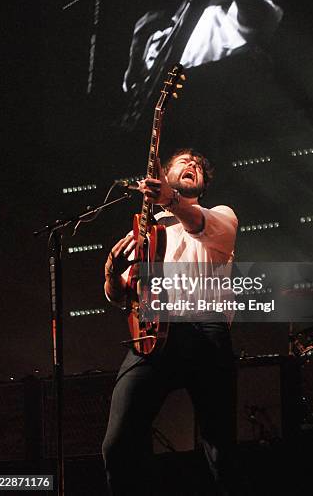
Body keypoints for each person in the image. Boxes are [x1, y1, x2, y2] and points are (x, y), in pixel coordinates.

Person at [102, 148, 239, 495]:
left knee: (219, 447)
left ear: (203, 186)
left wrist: (171, 198)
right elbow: (125, 295)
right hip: (153, 336)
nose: (192, 164)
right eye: (184, 161)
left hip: (205, 330)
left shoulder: (218, 215)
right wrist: (111, 279)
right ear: (163, 174)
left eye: (198, 166)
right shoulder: (145, 232)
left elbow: (198, 223)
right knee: (117, 445)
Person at [120, 0, 283, 130]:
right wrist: (136, 50)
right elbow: (134, 88)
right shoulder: (159, 35)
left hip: (199, 128)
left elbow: (257, 16)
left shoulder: (224, 15)